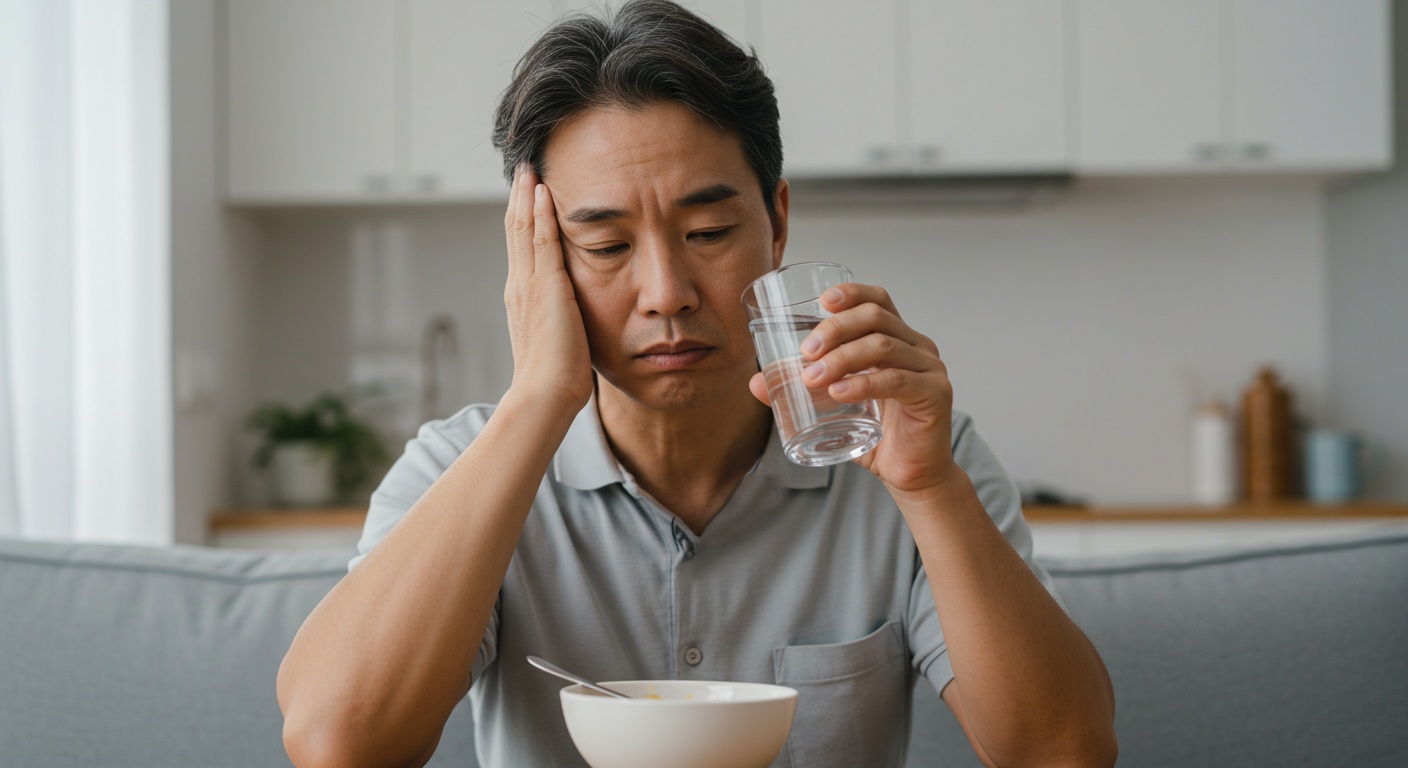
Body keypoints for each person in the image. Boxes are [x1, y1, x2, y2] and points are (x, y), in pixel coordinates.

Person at [276, 1, 1117, 766]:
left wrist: (932, 490)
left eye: (709, 230)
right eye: (605, 247)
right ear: (540, 257)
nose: (666, 291)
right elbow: (337, 745)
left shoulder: (914, 457)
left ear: (778, 222)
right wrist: (540, 395)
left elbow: (1066, 753)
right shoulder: (459, 469)